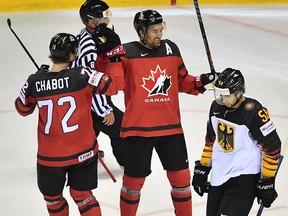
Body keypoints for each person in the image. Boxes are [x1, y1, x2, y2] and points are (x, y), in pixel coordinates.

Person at [92, 9, 216, 216]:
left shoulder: (171, 49)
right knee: (133, 184)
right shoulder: (126, 53)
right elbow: (112, 87)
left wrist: (201, 82)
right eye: (154, 31)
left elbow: (181, 80)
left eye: (161, 30)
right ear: (141, 32)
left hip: (171, 128)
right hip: (137, 131)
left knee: (182, 182)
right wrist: (110, 57)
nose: (159, 35)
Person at [14, 33, 119, 215]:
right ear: (72, 54)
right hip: (83, 153)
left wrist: (38, 80)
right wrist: (110, 58)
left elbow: (22, 109)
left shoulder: (35, 81)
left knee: (53, 200)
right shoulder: (82, 74)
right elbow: (111, 85)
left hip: (50, 157)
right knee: (83, 196)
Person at [191, 68, 281, 216]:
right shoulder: (216, 108)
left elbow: (272, 148)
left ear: (239, 91)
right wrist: (203, 168)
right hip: (219, 175)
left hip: (244, 178)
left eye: (227, 95)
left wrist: (267, 181)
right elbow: (210, 142)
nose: (223, 100)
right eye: (220, 94)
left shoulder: (254, 111)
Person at [72, 0, 124, 166]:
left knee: (90, 129)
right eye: (103, 17)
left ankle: (85, 152)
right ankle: (129, 162)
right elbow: (90, 81)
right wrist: (104, 110)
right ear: (90, 21)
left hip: (85, 102)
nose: (108, 21)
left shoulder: (87, 35)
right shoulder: (89, 47)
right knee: (121, 128)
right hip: (92, 102)